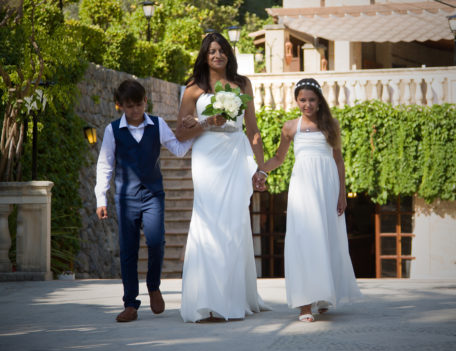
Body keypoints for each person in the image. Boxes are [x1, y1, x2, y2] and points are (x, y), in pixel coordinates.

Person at [175, 32, 268, 322]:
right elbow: (181, 133)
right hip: (206, 158)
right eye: (211, 51)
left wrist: (261, 167)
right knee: (208, 221)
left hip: (235, 157)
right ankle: (206, 300)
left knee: (234, 222)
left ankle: (231, 297)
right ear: (204, 56)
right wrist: (206, 122)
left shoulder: (243, 84)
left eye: (222, 50)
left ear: (229, 53)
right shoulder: (192, 90)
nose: (217, 55)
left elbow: (253, 129)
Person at [262, 78, 362, 322]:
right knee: (304, 239)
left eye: (312, 100)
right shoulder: (290, 127)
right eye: (302, 99)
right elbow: (279, 157)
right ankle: (304, 304)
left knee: (326, 237)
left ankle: (325, 295)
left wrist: (342, 194)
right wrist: (261, 171)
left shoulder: (331, 125)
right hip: (303, 189)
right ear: (296, 100)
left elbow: (338, 160)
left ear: (319, 101)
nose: (307, 104)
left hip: (327, 187)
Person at [95, 79, 193, 322]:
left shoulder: (157, 125)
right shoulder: (113, 130)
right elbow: (105, 165)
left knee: (157, 241)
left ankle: (153, 286)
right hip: (126, 198)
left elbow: (179, 149)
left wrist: (199, 131)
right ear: (120, 106)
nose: (135, 110)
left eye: (139, 104)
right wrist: (101, 198)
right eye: (129, 106)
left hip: (153, 195)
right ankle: (130, 304)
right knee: (128, 251)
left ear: (146, 102)